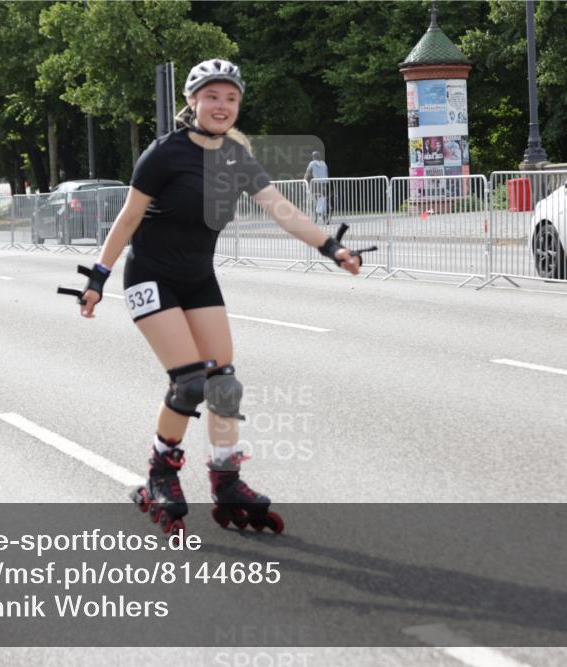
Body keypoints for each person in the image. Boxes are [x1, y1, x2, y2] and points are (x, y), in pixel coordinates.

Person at [63, 59, 367, 537]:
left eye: (230, 98)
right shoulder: (164, 153)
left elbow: (281, 210)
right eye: (212, 96)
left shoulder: (238, 159)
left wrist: (332, 246)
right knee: (189, 383)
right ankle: (160, 474)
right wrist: (98, 277)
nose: (221, 105)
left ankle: (227, 480)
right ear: (193, 101)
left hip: (197, 278)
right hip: (150, 276)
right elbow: (127, 219)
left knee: (224, 382)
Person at [304, 150, 330, 223]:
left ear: (313, 157)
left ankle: (315, 219)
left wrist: (303, 182)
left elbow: (308, 173)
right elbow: (326, 174)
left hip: (315, 185)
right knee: (322, 201)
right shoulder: (324, 164)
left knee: (314, 201)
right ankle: (325, 219)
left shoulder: (312, 163)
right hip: (323, 185)